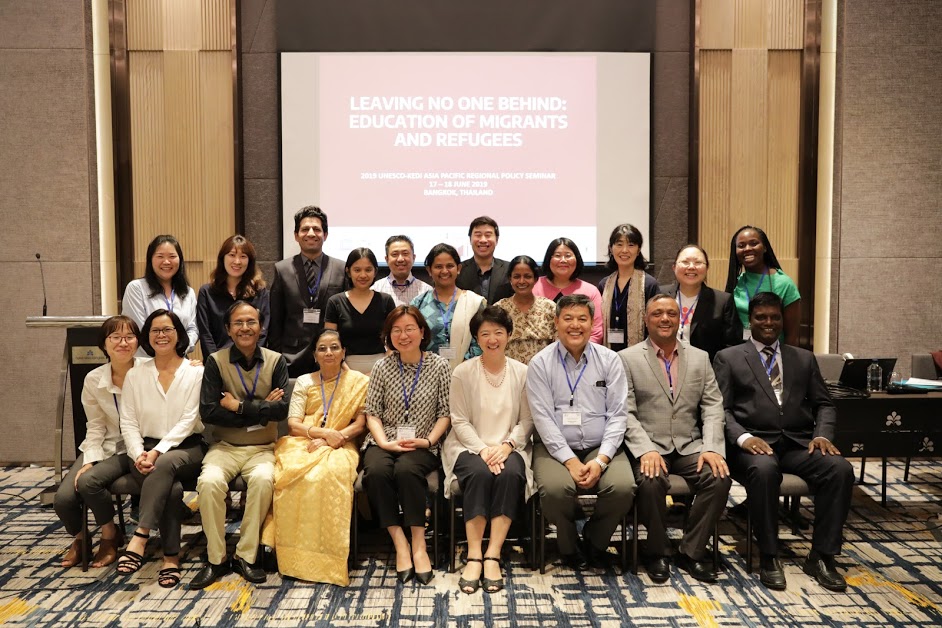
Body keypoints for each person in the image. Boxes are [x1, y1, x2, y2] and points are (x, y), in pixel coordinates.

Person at [713, 292, 853, 592]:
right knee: (764, 471)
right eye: (761, 317)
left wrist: (822, 435)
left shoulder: (802, 358)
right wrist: (744, 437)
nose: (768, 323)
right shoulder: (730, 357)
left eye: (774, 317)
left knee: (840, 470)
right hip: (752, 446)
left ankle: (822, 556)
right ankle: (769, 555)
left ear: (782, 320)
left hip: (798, 443)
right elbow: (719, 409)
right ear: (750, 320)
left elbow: (824, 404)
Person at [618, 294, 730, 583]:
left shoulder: (700, 357)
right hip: (649, 445)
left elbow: (713, 406)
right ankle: (656, 550)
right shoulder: (627, 358)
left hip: (690, 445)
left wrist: (712, 448)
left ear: (680, 319)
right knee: (651, 481)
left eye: (670, 313)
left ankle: (691, 550)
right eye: (657, 314)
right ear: (646, 320)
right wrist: (644, 450)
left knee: (718, 477)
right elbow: (625, 412)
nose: (664, 318)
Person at [526, 294, 634, 570]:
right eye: (568, 319)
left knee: (623, 487)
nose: (575, 325)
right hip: (555, 447)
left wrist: (601, 461)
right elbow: (543, 419)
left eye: (582, 319)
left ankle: (595, 541)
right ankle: (568, 543)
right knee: (553, 489)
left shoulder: (610, 360)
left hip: (600, 445)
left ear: (592, 322)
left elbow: (618, 415)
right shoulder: (540, 363)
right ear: (556, 322)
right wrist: (570, 461)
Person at [188, 302, 289, 589]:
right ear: (229, 329)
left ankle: (247, 555)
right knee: (209, 483)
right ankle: (216, 558)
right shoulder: (216, 362)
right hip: (224, 446)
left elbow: (281, 411)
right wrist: (260, 408)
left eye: (251, 322)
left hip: (262, 449)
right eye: (239, 323)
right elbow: (209, 412)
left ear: (261, 327)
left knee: (262, 480)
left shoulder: (276, 360)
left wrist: (238, 406)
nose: (246, 328)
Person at [260, 329, 368, 586]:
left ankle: (325, 556)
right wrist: (321, 434)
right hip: (303, 442)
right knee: (288, 475)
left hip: (342, 445)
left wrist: (335, 437)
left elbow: (362, 423)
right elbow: (293, 424)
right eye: (322, 348)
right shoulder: (305, 382)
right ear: (315, 355)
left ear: (344, 352)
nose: (328, 352)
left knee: (328, 475)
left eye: (334, 347)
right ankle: (286, 551)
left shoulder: (359, 382)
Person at [442, 306, 534, 594]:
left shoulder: (523, 371)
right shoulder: (463, 372)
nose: (492, 339)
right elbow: (458, 420)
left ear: (509, 335)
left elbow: (528, 419)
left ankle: (493, 554)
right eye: (485, 334)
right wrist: (483, 450)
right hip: (468, 447)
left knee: (509, 476)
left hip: (511, 446)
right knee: (480, 475)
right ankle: (473, 555)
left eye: (498, 333)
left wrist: (507, 446)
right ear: (476, 338)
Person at [362, 306, 451, 585]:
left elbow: (445, 413)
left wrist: (427, 440)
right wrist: (384, 443)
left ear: (422, 332)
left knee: (406, 470)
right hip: (384, 438)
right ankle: (399, 541)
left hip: (424, 441)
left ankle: (418, 543)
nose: (403, 335)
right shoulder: (381, 366)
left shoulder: (439, 365)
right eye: (396, 330)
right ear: (389, 335)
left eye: (410, 328)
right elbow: (372, 413)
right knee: (375, 472)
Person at [117, 309, 205, 588]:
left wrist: (157, 452)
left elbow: (189, 420)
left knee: (165, 464)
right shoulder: (135, 374)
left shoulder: (195, 371)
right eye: (155, 330)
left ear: (179, 334)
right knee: (173, 489)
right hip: (143, 448)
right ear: (147, 336)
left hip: (187, 447)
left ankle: (140, 535)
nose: (161, 335)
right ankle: (171, 558)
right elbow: (128, 421)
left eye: (167, 329)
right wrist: (138, 453)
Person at [55, 316, 144, 569]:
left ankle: (108, 535)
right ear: (104, 344)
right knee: (63, 499)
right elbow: (94, 426)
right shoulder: (94, 379)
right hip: (104, 445)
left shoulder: (149, 371)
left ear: (138, 341)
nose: (123, 342)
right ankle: (81, 539)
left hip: (135, 447)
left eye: (129, 337)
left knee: (87, 483)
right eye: (115, 337)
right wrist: (90, 459)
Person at [269, 206, 346, 377]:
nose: (311, 233)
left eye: (317, 229)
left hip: (330, 356)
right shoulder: (282, 269)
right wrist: (276, 358)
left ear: (325, 235)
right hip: (291, 358)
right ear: (296, 235)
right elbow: (276, 319)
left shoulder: (341, 269)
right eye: (305, 229)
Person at [659, 244, 743, 361]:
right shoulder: (660, 295)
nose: (691, 267)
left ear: (707, 268)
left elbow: (731, 346)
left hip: (705, 372)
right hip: (664, 367)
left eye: (698, 263)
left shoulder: (722, 301)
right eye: (685, 262)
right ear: (674, 267)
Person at [411, 243, 486, 371]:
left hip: (468, 373)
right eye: (438, 267)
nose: (444, 271)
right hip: (427, 374)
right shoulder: (418, 304)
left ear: (458, 268)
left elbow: (482, 338)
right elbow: (413, 342)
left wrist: (463, 367)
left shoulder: (475, 303)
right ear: (429, 270)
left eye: (450, 266)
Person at [196, 235, 270, 359]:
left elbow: (263, 331)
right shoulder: (207, 292)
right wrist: (216, 363)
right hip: (218, 362)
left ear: (250, 261)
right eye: (232, 255)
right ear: (222, 258)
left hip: (252, 362)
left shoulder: (260, 292)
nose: (237, 261)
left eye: (243, 256)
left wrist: (250, 359)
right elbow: (205, 334)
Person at [724, 226, 801, 345]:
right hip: (741, 353)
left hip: (774, 355)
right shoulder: (736, 283)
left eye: (753, 243)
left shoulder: (784, 284)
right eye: (741, 245)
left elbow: (791, 337)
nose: (747, 249)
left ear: (765, 247)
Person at [122, 234, 198, 355]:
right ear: (150, 259)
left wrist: (181, 349)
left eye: (172, 256)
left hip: (179, 362)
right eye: (160, 256)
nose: (166, 261)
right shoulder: (136, 288)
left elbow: (192, 329)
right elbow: (139, 329)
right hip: (146, 363)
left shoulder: (188, 292)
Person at [325, 247, 396, 374]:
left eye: (368, 270)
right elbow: (329, 342)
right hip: (343, 369)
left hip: (382, 368)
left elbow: (395, 339)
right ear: (348, 271)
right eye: (357, 270)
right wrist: (349, 373)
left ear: (375, 272)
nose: (363, 275)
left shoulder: (386, 300)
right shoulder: (335, 302)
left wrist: (377, 371)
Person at [597, 224, 658, 351]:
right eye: (619, 244)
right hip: (608, 355)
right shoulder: (604, 284)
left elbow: (654, 324)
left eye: (631, 245)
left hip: (640, 356)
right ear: (611, 248)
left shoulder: (648, 284)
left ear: (638, 249)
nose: (624, 250)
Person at [532, 238, 604, 344]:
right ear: (548, 259)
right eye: (557, 255)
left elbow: (596, 333)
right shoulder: (533, 287)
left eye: (568, 255)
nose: (563, 260)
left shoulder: (590, 291)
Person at [494, 255, 557, 364]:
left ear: (536, 279)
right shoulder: (499, 309)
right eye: (517, 276)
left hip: (544, 373)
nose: (522, 281)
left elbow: (559, 343)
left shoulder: (550, 307)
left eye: (527, 276)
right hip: (509, 373)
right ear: (510, 279)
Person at [455, 216, 512, 304]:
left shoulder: (509, 269)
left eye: (488, 235)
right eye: (478, 235)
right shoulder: (458, 270)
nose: (483, 240)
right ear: (470, 239)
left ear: (496, 240)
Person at [371, 235, 432, 307]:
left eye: (405, 254)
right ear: (387, 259)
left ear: (414, 258)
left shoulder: (427, 291)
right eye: (395, 254)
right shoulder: (375, 290)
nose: (400, 259)